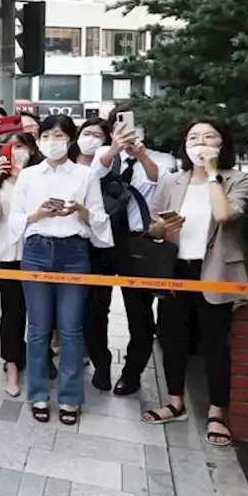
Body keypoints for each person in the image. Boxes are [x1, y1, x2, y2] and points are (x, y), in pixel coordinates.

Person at [142, 117, 248, 446]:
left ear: (223, 144)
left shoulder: (237, 179)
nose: (200, 143)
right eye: (193, 138)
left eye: (209, 137)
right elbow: (152, 227)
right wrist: (162, 229)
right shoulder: (172, 181)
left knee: (215, 344)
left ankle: (217, 412)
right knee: (171, 337)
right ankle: (175, 401)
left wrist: (212, 175)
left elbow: (224, 215)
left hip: (216, 271)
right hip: (176, 271)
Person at [8, 114, 112, 425]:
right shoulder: (28, 176)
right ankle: (37, 393)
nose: (54, 142)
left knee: (70, 329)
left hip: (74, 253)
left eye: (59, 135)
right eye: (47, 135)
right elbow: (15, 219)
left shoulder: (85, 174)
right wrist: (37, 215)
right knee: (38, 329)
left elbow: (99, 218)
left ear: (70, 139)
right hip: (37, 251)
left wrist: (77, 209)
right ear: (39, 139)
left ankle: (70, 398)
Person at [80, 117, 162, 395]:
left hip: (137, 242)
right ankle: (101, 365)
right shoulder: (105, 155)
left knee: (138, 313)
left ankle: (132, 371)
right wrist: (114, 149)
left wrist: (141, 154)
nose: (128, 134)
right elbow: (93, 176)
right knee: (94, 308)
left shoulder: (160, 159)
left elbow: (156, 179)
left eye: (135, 129)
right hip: (101, 240)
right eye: (121, 129)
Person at [0, 131, 43, 396]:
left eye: (21, 146)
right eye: (9, 147)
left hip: (39, 252)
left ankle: (39, 362)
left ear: (32, 149)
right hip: (8, 252)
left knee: (41, 312)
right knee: (12, 311)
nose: (16, 151)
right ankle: (11, 364)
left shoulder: (42, 177)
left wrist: (23, 177)